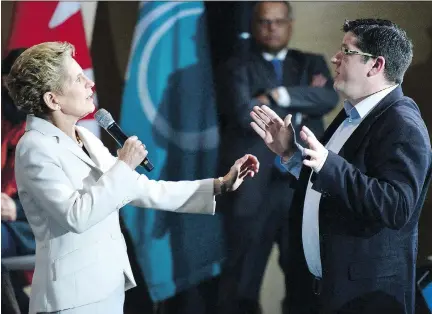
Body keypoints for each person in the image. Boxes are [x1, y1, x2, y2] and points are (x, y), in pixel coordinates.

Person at [4, 41, 260, 314]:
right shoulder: (34, 147)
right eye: (78, 78)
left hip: (107, 286)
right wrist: (124, 164)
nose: (89, 84)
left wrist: (220, 185)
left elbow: (140, 189)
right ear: (52, 99)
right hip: (71, 299)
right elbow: (76, 216)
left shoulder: (86, 137)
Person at [250, 18, 432, 314]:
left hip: (366, 299)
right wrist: (292, 155)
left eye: (346, 51)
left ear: (376, 65)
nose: (335, 58)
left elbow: (396, 206)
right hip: (325, 291)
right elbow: (334, 185)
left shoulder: (402, 123)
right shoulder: (352, 115)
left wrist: (328, 164)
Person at [214, 1, 338, 313]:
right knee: (241, 285)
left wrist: (275, 96)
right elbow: (245, 113)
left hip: (301, 188)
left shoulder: (311, 62)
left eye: (278, 22)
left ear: (290, 24)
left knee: (305, 285)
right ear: (254, 25)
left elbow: (328, 98)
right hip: (253, 191)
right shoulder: (235, 65)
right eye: (264, 22)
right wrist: (303, 100)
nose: (271, 28)